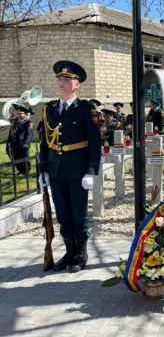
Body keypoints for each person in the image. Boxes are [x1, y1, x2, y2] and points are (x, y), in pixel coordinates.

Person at [38, 60, 101, 273]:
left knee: (78, 213)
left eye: (66, 79)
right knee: (63, 214)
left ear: (77, 84)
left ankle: (80, 253)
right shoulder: (49, 109)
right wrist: (43, 169)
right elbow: (45, 142)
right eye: (59, 78)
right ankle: (69, 252)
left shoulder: (86, 109)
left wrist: (91, 171)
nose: (61, 82)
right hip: (56, 171)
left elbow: (95, 142)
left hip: (78, 171)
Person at [6, 103, 34, 175]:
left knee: (24, 158)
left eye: (21, 114)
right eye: (18, 114)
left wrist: (26, 143)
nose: (19, 115)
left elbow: (29, 134)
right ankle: (20, 170)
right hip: (16, 144)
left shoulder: (29, 122)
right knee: (16, 158)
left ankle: (26, 171)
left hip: (23, 144)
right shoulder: (17, 121)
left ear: (25, 114)